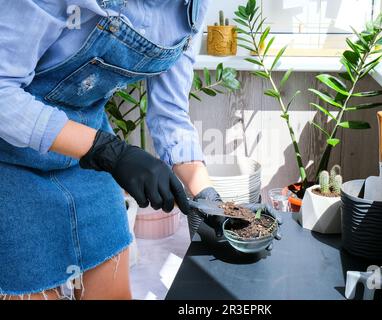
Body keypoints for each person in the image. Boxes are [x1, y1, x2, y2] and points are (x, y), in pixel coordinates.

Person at [0, 0, 279, 300]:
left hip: (88, 162)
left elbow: (170, 115)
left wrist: (211, 200)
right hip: (11, 160)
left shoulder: (189, 9)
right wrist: (108, 150)